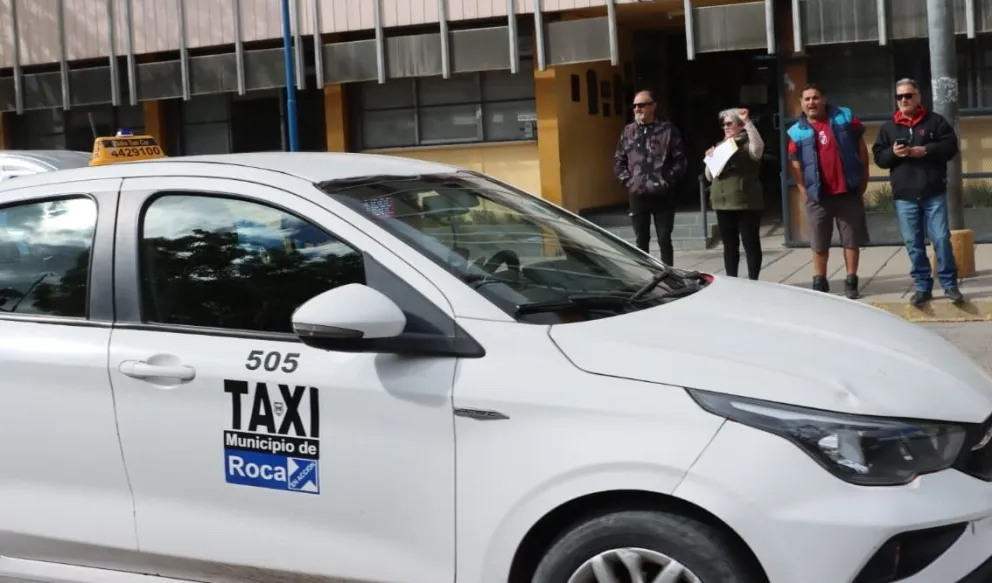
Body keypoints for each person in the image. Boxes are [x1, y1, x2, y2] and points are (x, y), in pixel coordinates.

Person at [872, 78, 964, 307]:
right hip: (905, 196)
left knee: (941, 239)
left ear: (918, 97)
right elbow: (879, 158)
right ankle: (923, 287)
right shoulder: (888, 128)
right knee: (913, 243)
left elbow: (951, 146)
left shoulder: (935, 121)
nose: (904, 100)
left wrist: (926, 150)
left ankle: (950, 284)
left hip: (933, 193)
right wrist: (894, 153)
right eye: (900, 97)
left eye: (908, 95)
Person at [786, 83, 870, 299]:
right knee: (819, 243)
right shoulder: (796, 131)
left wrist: (864, 178)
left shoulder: (845, 117)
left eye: (815, 98)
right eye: (807, 99)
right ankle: (820, 281)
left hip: (847, 191)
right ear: (801, 103)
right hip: (818, 196)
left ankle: (851, 281)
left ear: (823, 99)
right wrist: (804, 190)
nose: (811, 102)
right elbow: (795, 165)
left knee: (851, 240)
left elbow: (861, 148)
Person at [613, 89, 687, 265]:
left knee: (664, 238)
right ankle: (646, 274)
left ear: (653, 107)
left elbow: (680, 160)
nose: (637, 109)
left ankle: (668, 274)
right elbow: (618, 161)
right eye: (634, 106)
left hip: (662, 194)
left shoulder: (668, 130)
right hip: (638, 194)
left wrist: (667, 181)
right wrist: (629, 181)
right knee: (641, 240)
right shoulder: (628, 131)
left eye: (641, 105)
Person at [704, 108, 765, 280]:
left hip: (746, 201)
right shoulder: (720, 146)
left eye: (729, 123)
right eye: (723, 124)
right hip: (722, 202)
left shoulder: (747, 142)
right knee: (729, 245)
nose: (726, 127)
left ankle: (753, 280)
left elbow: (758, 148)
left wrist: (748, 122)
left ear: (740, 125)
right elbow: (709, 176)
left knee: (750, 242)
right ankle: (732, 279)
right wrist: (710, 159)